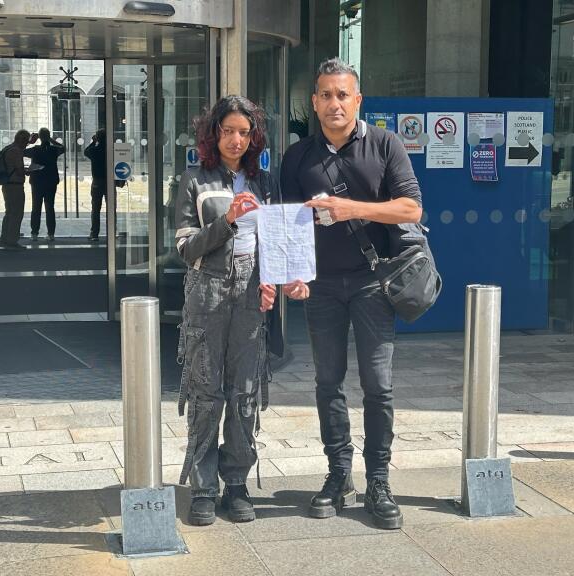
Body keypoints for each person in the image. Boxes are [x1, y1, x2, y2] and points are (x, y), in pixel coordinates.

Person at [280, 58, 423, 530]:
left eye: (343, 94)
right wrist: (292, 274)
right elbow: (289, 225)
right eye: (325, 95)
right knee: (328, 382)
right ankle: (339, 473)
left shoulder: (385, 144)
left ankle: (378, 480)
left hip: (372, 282)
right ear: (314, 102)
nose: (334, 103)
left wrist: (350, 208)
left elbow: (411, 207)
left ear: (357, 100)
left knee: (378, 386)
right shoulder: (297, 157)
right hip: (320, 286)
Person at [174, 95, 303, 526]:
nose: (235, 140)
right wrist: (227, 220)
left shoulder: (264, 182)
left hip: (250, 294)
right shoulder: (195, 180)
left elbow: (276, 240)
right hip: (206, 293)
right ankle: (203, 488)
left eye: (244, 133)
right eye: (228, 131)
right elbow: (185, 248)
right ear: (214, 134)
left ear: (253, 138)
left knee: (245, 392)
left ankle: (236, 484)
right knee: (206, 393)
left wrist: (274, 280)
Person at [24, 127, 64, 242]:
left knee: (36, 207)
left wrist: (29, 141)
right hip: (51, 181)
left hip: (37, 181)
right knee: (50, 207)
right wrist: (50, 139)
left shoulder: (35, 150)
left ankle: (34, 233)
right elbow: (63, 148)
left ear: (40, 137)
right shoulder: (54, 150)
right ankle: (51, 234)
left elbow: (21, 151)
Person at [0, 129, 35, 251]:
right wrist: (29, 170)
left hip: (7, 184)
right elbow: (19, 171)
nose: (26, 144)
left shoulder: (8, 148)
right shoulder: (16, 151)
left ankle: (4, 239)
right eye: (26, 141)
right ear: (22, 140)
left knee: (9, 213)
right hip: (15, 186)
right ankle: (12, 241)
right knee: (16, 214)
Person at [84, 129, 106, 241]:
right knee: (111, 209)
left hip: (97, 181)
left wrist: (93, 142)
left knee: (96, 209)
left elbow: (86, 152)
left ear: (97, 138)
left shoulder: (94, 150)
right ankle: (112, 231)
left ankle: (94, 233)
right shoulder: (111, 150)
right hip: (109, 181)